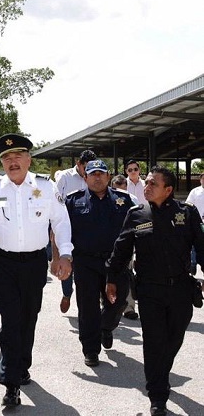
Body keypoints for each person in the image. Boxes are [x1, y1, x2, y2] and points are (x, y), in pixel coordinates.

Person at [0, 134, 73, 408]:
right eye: (6, 158)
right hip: (3, 263)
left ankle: (21, 365)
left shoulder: (45, 186)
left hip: (33, 264)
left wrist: (64, 254)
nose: (12, 161)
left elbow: (61, 222)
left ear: (28, 159)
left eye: (17, 156)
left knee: (28, 319)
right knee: (11, 321)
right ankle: (10, 383)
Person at [106, 166, 204, 416]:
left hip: (181, 289)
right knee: (153, 342)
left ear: (168, 190)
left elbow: (202, 248)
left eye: (152, 184)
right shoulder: (137, 214)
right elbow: (121, 249)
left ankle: (160, 371)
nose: (146, 188)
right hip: (149, 290)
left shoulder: (187, 213)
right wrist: (112, 279)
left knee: (174, 339)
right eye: (146, 183)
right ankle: (158, 395)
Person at [64, 160, 135, 367]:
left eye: (101, 174)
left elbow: (136, 228)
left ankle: (105, 327)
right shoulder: (73, 201)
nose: (97, 177)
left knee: (119, 301)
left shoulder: (124, 200)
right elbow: (61, 231)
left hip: (116, 261)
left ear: (108, 176)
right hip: (85, 261)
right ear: (85, 177)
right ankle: (91, 349)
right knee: (88, 307)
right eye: (92, 174)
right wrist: (62, 257)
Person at [53, 149, 96, 313]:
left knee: (84, 270)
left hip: (87, 231)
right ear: (78, 164)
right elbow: (56, 204)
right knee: (67, 265)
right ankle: (66, 293)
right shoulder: (64, 177)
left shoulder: (94, 177)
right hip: (67, 229)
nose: (89, 172)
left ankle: (84, 306)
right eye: (86, 167)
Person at [111, 173, 140, 319]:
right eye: (116, 189)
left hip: (126, 244)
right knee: (107, 275)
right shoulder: (106, 199)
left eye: (122, 190)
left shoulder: (132, 200)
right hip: (109, 244)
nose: (119, 193)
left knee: (127, 275)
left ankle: (129, 307)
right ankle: (107, 303)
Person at [185, 172, 204, 275]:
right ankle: (193, 265)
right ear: (200, 180)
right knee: (195, 245)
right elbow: (188, 205)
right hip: (198, 223)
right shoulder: (195, 191)